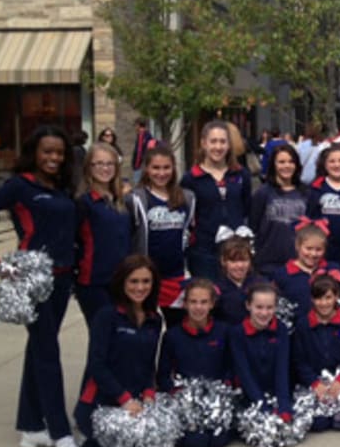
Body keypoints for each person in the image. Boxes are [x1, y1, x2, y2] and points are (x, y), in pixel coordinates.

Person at [0, 125, 82, 447]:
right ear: (34, 152)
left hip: (62, 281)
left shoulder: (60, 188)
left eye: (59, 152)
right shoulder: (19, 186)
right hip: (33, 283)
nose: (54, 158)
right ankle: (60, 432)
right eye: (47, 151)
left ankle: (30, 426)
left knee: (39, 349)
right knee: (48, 354)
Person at [74, 255, 163, 447]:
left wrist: (149, 393)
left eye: (146, 281)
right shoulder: (106, 316)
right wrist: (124, 399)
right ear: (122, 282)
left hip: (135, 402)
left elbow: (149, 363)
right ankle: (87, 439)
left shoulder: (154, 319)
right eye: (133, 281)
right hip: (102, 402)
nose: (140, 288)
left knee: (159, 444)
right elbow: (97, 365)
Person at [155, 278, 232, 447]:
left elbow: (231, 366)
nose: (198, 307)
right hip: (186, 400)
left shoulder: (223, 331)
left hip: (217, 399)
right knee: (195, 444)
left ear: (212, 304)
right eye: (193, 302)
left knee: (219, 441)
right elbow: (163, 374)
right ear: (185, 304)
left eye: (204, 302)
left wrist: (224, 389)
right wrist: (177, 394)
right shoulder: (172, 336)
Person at [128, 145, 195, 315]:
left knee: (176, 327)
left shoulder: (187, 197)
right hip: (146, 275)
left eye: (166, 167)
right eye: (156, 168)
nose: (161, 173)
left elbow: (188, 231)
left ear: (173, 168)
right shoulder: (136, 198)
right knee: (149, 327)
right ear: (146, 169)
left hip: (175, 274)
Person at [181, 120, 252, 280]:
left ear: (229, 145)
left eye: (223, 142)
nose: (218, 147)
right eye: (213, 141)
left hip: (235, 251)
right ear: (203, 143)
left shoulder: (241, 175)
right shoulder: (191, 178)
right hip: (204, 251)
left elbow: (246, 208)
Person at [293, 274, 340, 432]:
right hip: (315, 382)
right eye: (318, 298)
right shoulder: (303, 325)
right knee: (319, 424)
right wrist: (315, 384)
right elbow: (299, 360)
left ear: (336, 297)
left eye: (328, 298)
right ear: (311, 299)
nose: (323, 303)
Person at [75, 142, 131, 326]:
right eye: (98, 163)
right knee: (101, 338)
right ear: (88, 167)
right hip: (95, 282)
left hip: (122, 280)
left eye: (109, 164)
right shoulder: (83, 202)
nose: (105, 168)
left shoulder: (120, 201)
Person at [229, 282, 294, 423]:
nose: (264, 313)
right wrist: (262, 406)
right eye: (259, 307)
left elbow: (282, 369)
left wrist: (283, 406)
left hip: (275, 393)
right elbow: (244, 373)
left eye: (269, 307)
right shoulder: (237, 333)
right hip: (249, 395)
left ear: (276, 307)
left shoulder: (281, 330)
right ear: (248, 305)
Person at [250, 143, 306, 277]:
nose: (286, 166)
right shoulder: (263, 192)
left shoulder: (306, 193)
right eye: (281, 162)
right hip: (267, 263)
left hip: (299, 262)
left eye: (291, 162)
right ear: (273, 165)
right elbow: (253, 225)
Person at [271, 222, 340, 317]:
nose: (313, 254)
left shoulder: (333, 269)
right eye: (308, 248)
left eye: (318, 250)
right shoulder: (283, 274)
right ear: (297, 246)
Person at [214, 236, 260, 326]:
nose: (239, 265)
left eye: (244, 260)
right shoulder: (216, 289)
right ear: (223, 261)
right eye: (233, 261)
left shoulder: (260, 284)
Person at [131, 119, 154, 184]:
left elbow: (140, 152)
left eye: (135, 125)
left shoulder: (145, 136)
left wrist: (139, 165)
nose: (135, 128)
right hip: (138, 166)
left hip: (141, 166)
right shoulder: (140, 135)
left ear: (138, 125)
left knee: (139, 184)